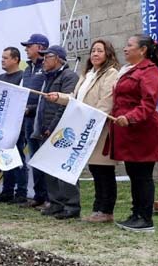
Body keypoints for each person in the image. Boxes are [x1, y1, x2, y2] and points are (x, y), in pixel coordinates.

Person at [47, 39, 121, 222]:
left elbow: (106, 101)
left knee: (104, 170)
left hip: (99, 128)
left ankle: (106, 210)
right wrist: (59, 97)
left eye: (100, 51)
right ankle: (98, 209)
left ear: (108, 54)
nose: (95, 54)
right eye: (93, 51)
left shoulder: (111, 74)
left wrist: (92, 122)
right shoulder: (87, 74)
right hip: (85, 127)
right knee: (96, 170)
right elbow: (75, 98)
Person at [110, 34, 158, 233]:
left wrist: (130, 117)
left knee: (143, 176)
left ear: (142, 50)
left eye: (129, 45)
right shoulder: (128, 70)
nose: (125, 48)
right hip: (129, 132)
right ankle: (136, 214)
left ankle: (145, 218)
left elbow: (148, 103)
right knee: (133, 174)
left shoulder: (149, 72)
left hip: (143, 132)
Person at [31, 45, 80, 219]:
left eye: (48, 57)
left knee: (62, 169)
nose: (44, 60)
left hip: (60, 130)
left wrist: (51, 127)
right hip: (45, 129)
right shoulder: (48, 77)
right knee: (49, 169)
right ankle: (56, 203)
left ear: (58, 58)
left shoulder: (69, 76)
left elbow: (65, 105)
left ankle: (72, 205)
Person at [0, 47, 27, 203]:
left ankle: (21, 192)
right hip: (2, 126)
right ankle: (7, 191)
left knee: (18, 157)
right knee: (5, 157)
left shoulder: (23, 77)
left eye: (6, 58)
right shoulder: (0, 78)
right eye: (2, 57)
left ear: (15, 59)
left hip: (16, 125)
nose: (2, 60)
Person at [19, 33, 50, 208]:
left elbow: (46, 94)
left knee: (43, 157)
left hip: (41, 118)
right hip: (28, 119)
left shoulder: (46, 66)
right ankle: (38, 196)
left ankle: (47, 197)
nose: (26, 49)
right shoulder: (27, 68)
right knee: (34, 158)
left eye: (29, 46)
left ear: (39, 47)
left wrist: (31, 108)